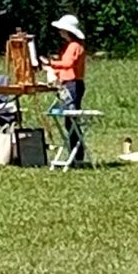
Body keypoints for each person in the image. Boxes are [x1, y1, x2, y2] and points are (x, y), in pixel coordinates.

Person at [44, 16, 90, 164]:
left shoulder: (74, 46)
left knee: (71, 121)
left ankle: (77, 156)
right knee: (69, 122)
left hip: (73, 84)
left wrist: (51, 63)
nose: (59, 32)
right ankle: (75, 154)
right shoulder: (69, 45)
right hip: (68, 83)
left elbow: (68, 63)